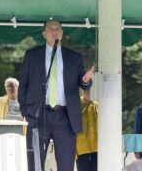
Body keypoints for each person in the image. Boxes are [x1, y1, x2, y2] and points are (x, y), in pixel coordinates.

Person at [18, 19, 94, 171]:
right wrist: (26, 112)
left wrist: (86, 81)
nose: (54, 32)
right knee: (34, 163)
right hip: (39, 114)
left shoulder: (74, 57)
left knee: (66, 165)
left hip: (65, 116)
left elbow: (83, 82)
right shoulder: (32, 55)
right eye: (50, 29)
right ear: (44, 33)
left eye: (58, 29)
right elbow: (23, 85)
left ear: (62, 33)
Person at [76, 90, 98, 171]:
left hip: (96, 150)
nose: (88, 92)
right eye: (85, 89)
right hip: (81, 151)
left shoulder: (96, 106)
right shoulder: (77, 105)